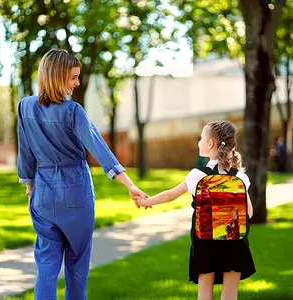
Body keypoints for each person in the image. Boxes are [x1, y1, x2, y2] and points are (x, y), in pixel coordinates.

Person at [17, 48, 146, 300]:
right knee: (76, 266)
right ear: (57, 76)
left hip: (42, 193)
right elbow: (100, 148)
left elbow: (25, 153)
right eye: (73, 77)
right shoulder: (72, 111)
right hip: (75, 192)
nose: (77, 83)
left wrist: (30, 188)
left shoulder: (25, 107)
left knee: (46, 266)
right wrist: (129, 184)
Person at [138, 120, 256, 300]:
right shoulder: (239, 176)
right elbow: (249, 212)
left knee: (204, 294)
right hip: (234, 241)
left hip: (205, 243)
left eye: (201, 138)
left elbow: (171, 195)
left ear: (210, 144)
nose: (198, 142)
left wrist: (147, 201)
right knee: (230, 295)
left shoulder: (198, 175)